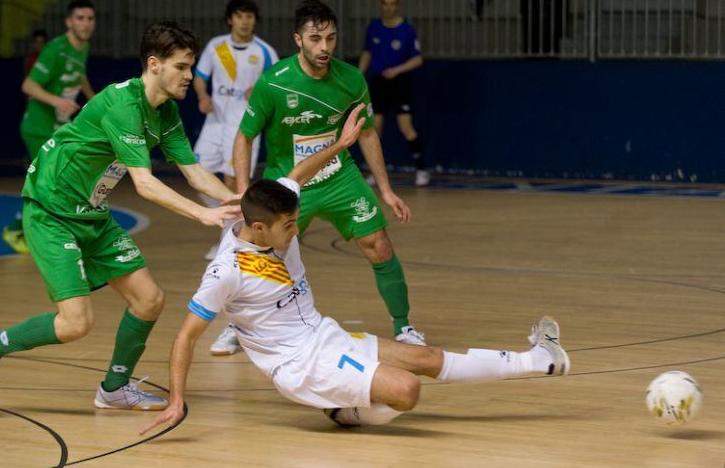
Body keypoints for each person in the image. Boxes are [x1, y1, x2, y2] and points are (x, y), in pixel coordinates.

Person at [139, 105, 570, 434]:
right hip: (299, 365)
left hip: (325, 334)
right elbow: (185, 336)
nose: (296, 230)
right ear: (257, 228)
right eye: (288, 226)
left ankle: (540, 359)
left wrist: (343, 145)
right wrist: (177, 400)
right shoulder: (226, 271)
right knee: (407, 390)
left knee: (427, 357)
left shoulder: (274, 203)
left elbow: (297, 173)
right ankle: (343, 406)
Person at [0, 21, 241, 411]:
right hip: (52, 211)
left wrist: (238, 201)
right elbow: (144, 184)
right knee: (76, 323)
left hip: (91, 212)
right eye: (181, 66)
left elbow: (194, 172)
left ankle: (114, 388)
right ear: (154, 65)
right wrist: (202, 214)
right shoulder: (124, 106)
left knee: (149, 300)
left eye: (190, 66)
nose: (189, 75)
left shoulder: (165, 114)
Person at [218, 0, 426, 358]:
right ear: (298, 39)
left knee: (378, 244)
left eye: (330, 38)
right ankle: (236, 326)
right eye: (315, 39)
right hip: (289, 184)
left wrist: (387, 190)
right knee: (262, 259)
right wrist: (243, 193)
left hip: (339, 177)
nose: (324, 47)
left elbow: (366, 134)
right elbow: (244, 137)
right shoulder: (274, 83)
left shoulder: (351, 79)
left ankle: (404, 326)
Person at [3, 0, 97, 254]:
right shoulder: (56, 49)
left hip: (58, 128)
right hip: (39, 128)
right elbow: (28, 86)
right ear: (68, 22)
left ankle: (48, 231)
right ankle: (16, 230)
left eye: (90, 18)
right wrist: (59, 101)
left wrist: (93, 99)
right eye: (80, 18)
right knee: (49, 184)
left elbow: (80, 74)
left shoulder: (83, 46)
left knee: (60, 181)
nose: (85, 24)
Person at [193, 0, 278, 263]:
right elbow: (199, 78)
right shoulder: (216, 46)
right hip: (214, 123)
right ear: (231, 19)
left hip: (243, 128)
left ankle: (227, 244)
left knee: (233, 184)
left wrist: (262, 89)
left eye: (249, 16)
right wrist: (202, 97)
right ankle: (231, 221)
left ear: (254, 20)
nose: (244, 21)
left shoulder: (265, 51)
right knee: (196, 173)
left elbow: (277, 84)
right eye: (240, 16)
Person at [358, 0, 428, 187]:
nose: (389, 8)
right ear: (381, 5)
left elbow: (417, 59)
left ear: (398, 5)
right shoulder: (374, 28)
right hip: (379, 83)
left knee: (406, 127)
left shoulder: (406, 30)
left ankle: (422, 169)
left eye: (392, 4)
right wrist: (358, 76)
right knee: (374, 128)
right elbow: (367, 53)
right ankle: (375, 172)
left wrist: (397, 70)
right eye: (385, 3)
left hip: (399, 83)